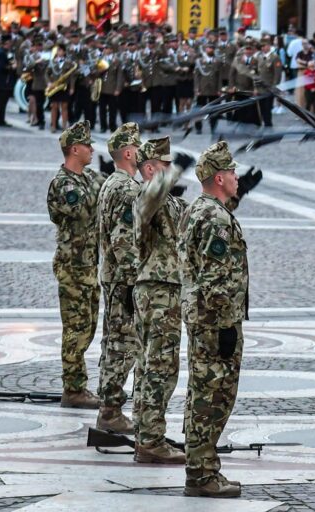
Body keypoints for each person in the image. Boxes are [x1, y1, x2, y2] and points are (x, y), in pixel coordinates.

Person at [179, 141, 260, 497]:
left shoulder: (202, 209)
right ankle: (201, 474)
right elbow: (215, 278)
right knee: (212, 398)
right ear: (218, 177)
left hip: (205, 320)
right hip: (215, 324)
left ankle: (204, 468)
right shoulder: (213, 217)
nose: (236, 177)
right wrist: (226, 324)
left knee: (204, 394)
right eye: (231, 172)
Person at [132, 137, 190, 464]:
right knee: (161, 366)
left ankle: (146, 431)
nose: (171, 171)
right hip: (158, 289)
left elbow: (194, 218)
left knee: (150, 363)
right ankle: (151, 440)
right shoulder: (147, 195)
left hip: (164, 288)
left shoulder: (167, 201)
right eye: (164, 166)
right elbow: (151, 195)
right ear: (151, 168)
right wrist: (175, 171)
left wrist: (237, 196)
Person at [46, 121, 105, 409]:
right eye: (87, 145)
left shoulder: (87, 177)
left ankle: (78, 384)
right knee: (75, 329)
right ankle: (73, 388)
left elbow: (109, 193)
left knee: (88, 327)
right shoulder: (64, 184)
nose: (92, 149)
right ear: (74, 149)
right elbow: (83, 209)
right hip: (72, 267)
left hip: (89, 265)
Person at [96, 123, 142, 434]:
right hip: (122, 281)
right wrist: (132, 282)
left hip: (111, 277)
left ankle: (108, 405)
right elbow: (123, 241)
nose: (142, 153)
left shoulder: (111, 183)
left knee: (113, 341)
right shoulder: (126, 189)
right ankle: (110, 410)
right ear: (128, 152)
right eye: (138, 149)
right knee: (123, 345)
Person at [0, 33, 17, 127]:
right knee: (1, 102)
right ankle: (0, 120)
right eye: (9, 42)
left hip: (4, 81)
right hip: (2, 81)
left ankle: (0, 119)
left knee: (2, 102)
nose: (10, 44)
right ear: (5, 43)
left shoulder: (5, 52)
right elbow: (1, 67)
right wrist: (12, 67)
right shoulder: (1, 53)